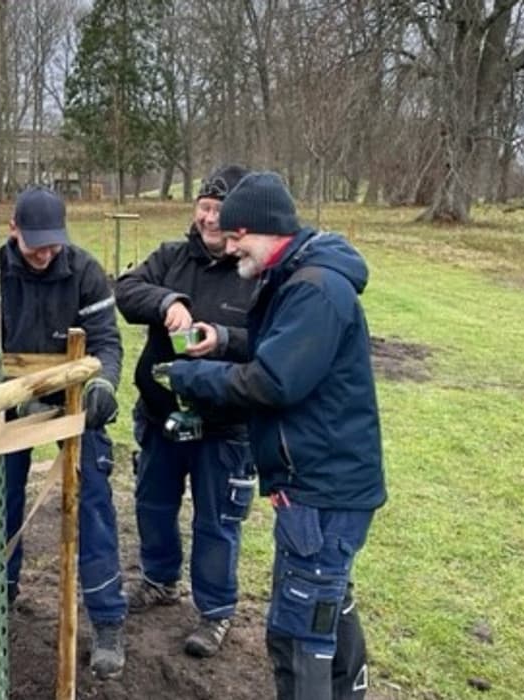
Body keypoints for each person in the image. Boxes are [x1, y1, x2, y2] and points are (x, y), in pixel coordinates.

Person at [162, 171, 386, 699]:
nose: (228, 243)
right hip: (313, 483)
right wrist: (223, 343)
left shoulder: (315, 290)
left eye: (236, 234)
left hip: (323, 488)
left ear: (266, 230)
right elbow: (279, 352)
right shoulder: (296, 280)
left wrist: (192, 377)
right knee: (325, 601)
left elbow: (273, 381)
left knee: (301, 630)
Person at [0, 186, 128, 680]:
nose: (45, 252)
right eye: (36, 243)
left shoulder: (85, 271)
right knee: (0, 498)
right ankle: (1, 596)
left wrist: (102, 385)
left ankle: (106, 620)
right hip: (9, 402)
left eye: (53, 243)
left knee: (93, 502)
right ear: (13, 229)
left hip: (73, 400)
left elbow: (105, 342)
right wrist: (0, 395)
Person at [115, 164, 258, 658]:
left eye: (220, 210)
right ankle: (159, 580)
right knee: (153, 504)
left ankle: (215, 612)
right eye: (204, 207)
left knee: (216, 521)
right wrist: (168, 301)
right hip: (160, 417)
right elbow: (127, 291)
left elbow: (268, 342)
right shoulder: (171, 258)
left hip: (223, 425)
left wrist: (222, 340)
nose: (210, 218)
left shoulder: (256, 273)